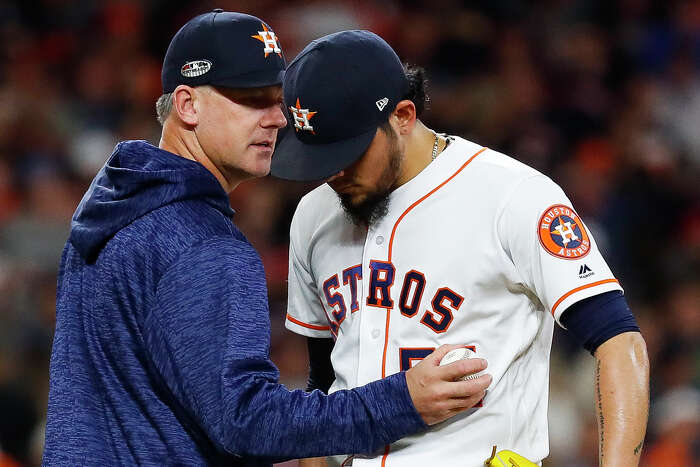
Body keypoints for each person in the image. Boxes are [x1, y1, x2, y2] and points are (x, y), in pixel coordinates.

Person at [42, 12, 491, 466]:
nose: (277, 119)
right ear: (188, 105)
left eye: (278, 100)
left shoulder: (113, 211)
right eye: (253, 100)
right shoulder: (202, 244)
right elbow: (248, 423)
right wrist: (402, 401)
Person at [271, 30, 650, 466]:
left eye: (349, 151)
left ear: (403, 115)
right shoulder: (314, 215)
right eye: (320, 156)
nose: (334, 172)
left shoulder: (512, 196)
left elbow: (619, 342)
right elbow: (322, 385)